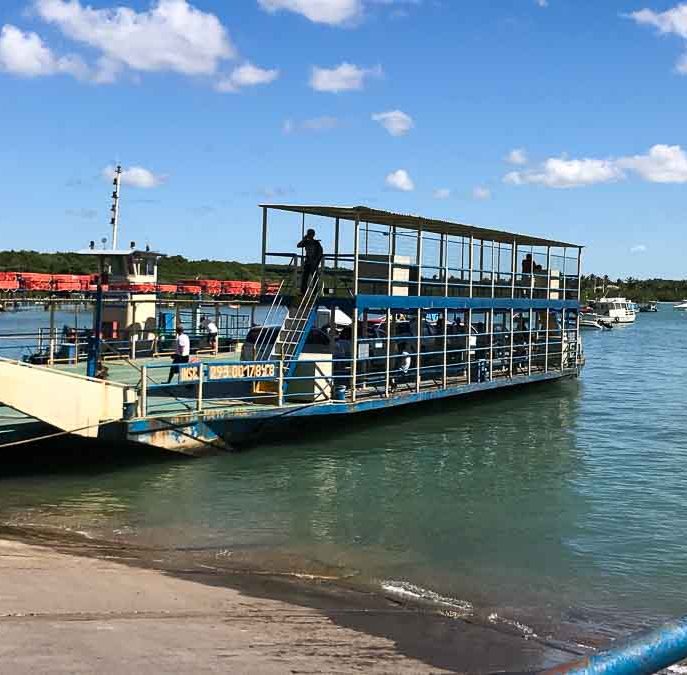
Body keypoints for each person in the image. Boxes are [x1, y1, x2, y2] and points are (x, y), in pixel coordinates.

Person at [297, 228, 324, 294]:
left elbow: (320, 253)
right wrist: (304, 239)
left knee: (314, 277)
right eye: (308, 234)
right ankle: (303, 292)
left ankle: (314, 292)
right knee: (304, 277)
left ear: (313, 235)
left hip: (314, 262)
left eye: (310, 234)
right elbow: (298, 245)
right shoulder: (306, 242)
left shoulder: (316, 243)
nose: (309, 235)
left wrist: (316, 261)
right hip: (308, 261)